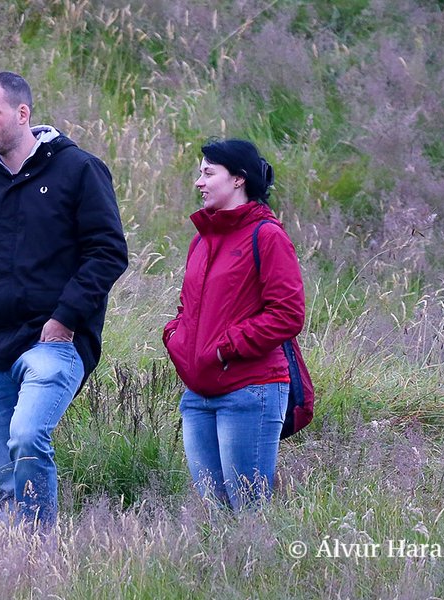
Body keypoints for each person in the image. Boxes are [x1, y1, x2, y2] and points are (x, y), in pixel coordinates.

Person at [0, 71, 128, 526]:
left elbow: (108, 252)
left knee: (27, 438)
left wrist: (65, 319)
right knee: (6, 475)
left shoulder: (78, 169)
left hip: (54, 343)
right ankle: (23, 557)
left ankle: (39, 544)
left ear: (22, 113)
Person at [163, 138, 305, 510]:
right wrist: (176, 337)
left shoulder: (267, 235)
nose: (199, 182)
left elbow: (288, 313)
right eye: (200, 173)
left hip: (250, 392)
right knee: (215, 514)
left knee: (249, 515)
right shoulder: (202, 240)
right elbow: (188, 307)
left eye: (209, 173)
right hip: (197, 396)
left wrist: (225, 348)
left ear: (238, 179)